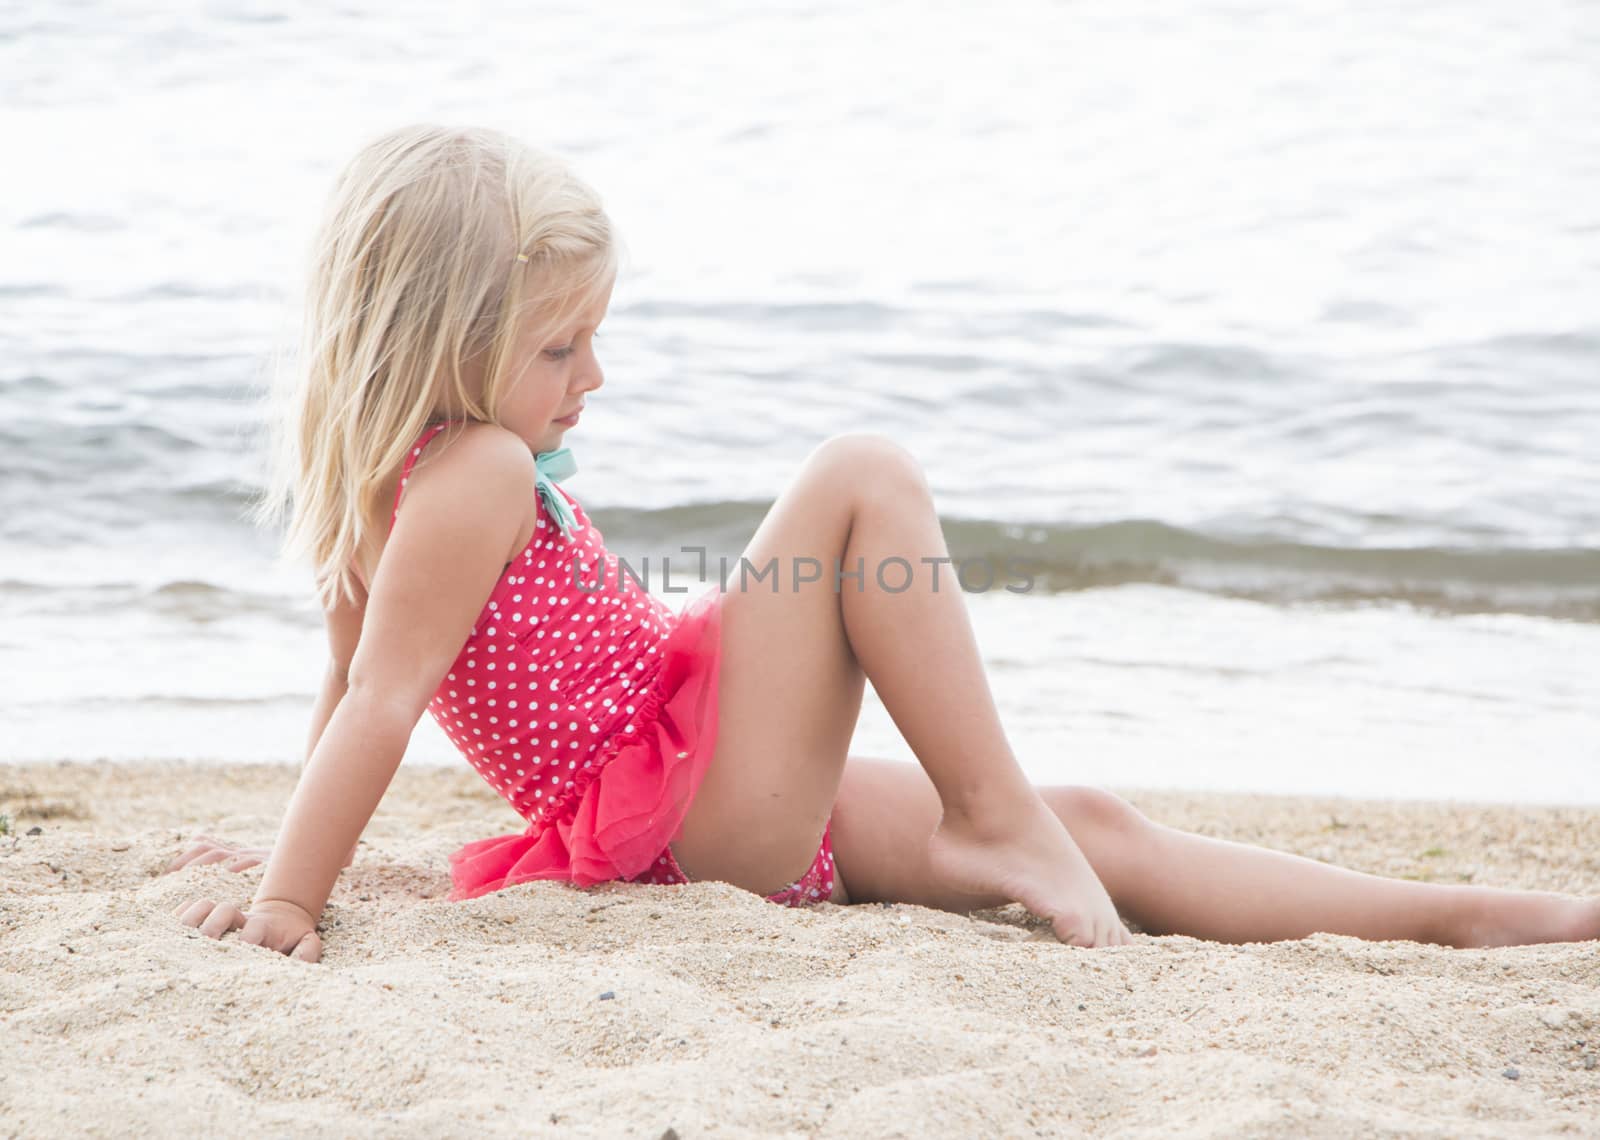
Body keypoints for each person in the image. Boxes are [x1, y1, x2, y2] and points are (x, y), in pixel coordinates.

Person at [168, 124, 1598, 962]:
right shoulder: (474, 467)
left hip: (695, 779)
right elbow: (376, 699)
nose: (592, 379)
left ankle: (1471, 915)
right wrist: (294, 897)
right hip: (681, 798)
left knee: (1095, 821)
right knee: (862, 477)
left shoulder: (405, 477)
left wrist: (297, 844)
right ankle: (994, 814)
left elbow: (350, 688)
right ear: (441, 337)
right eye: (561, 345)